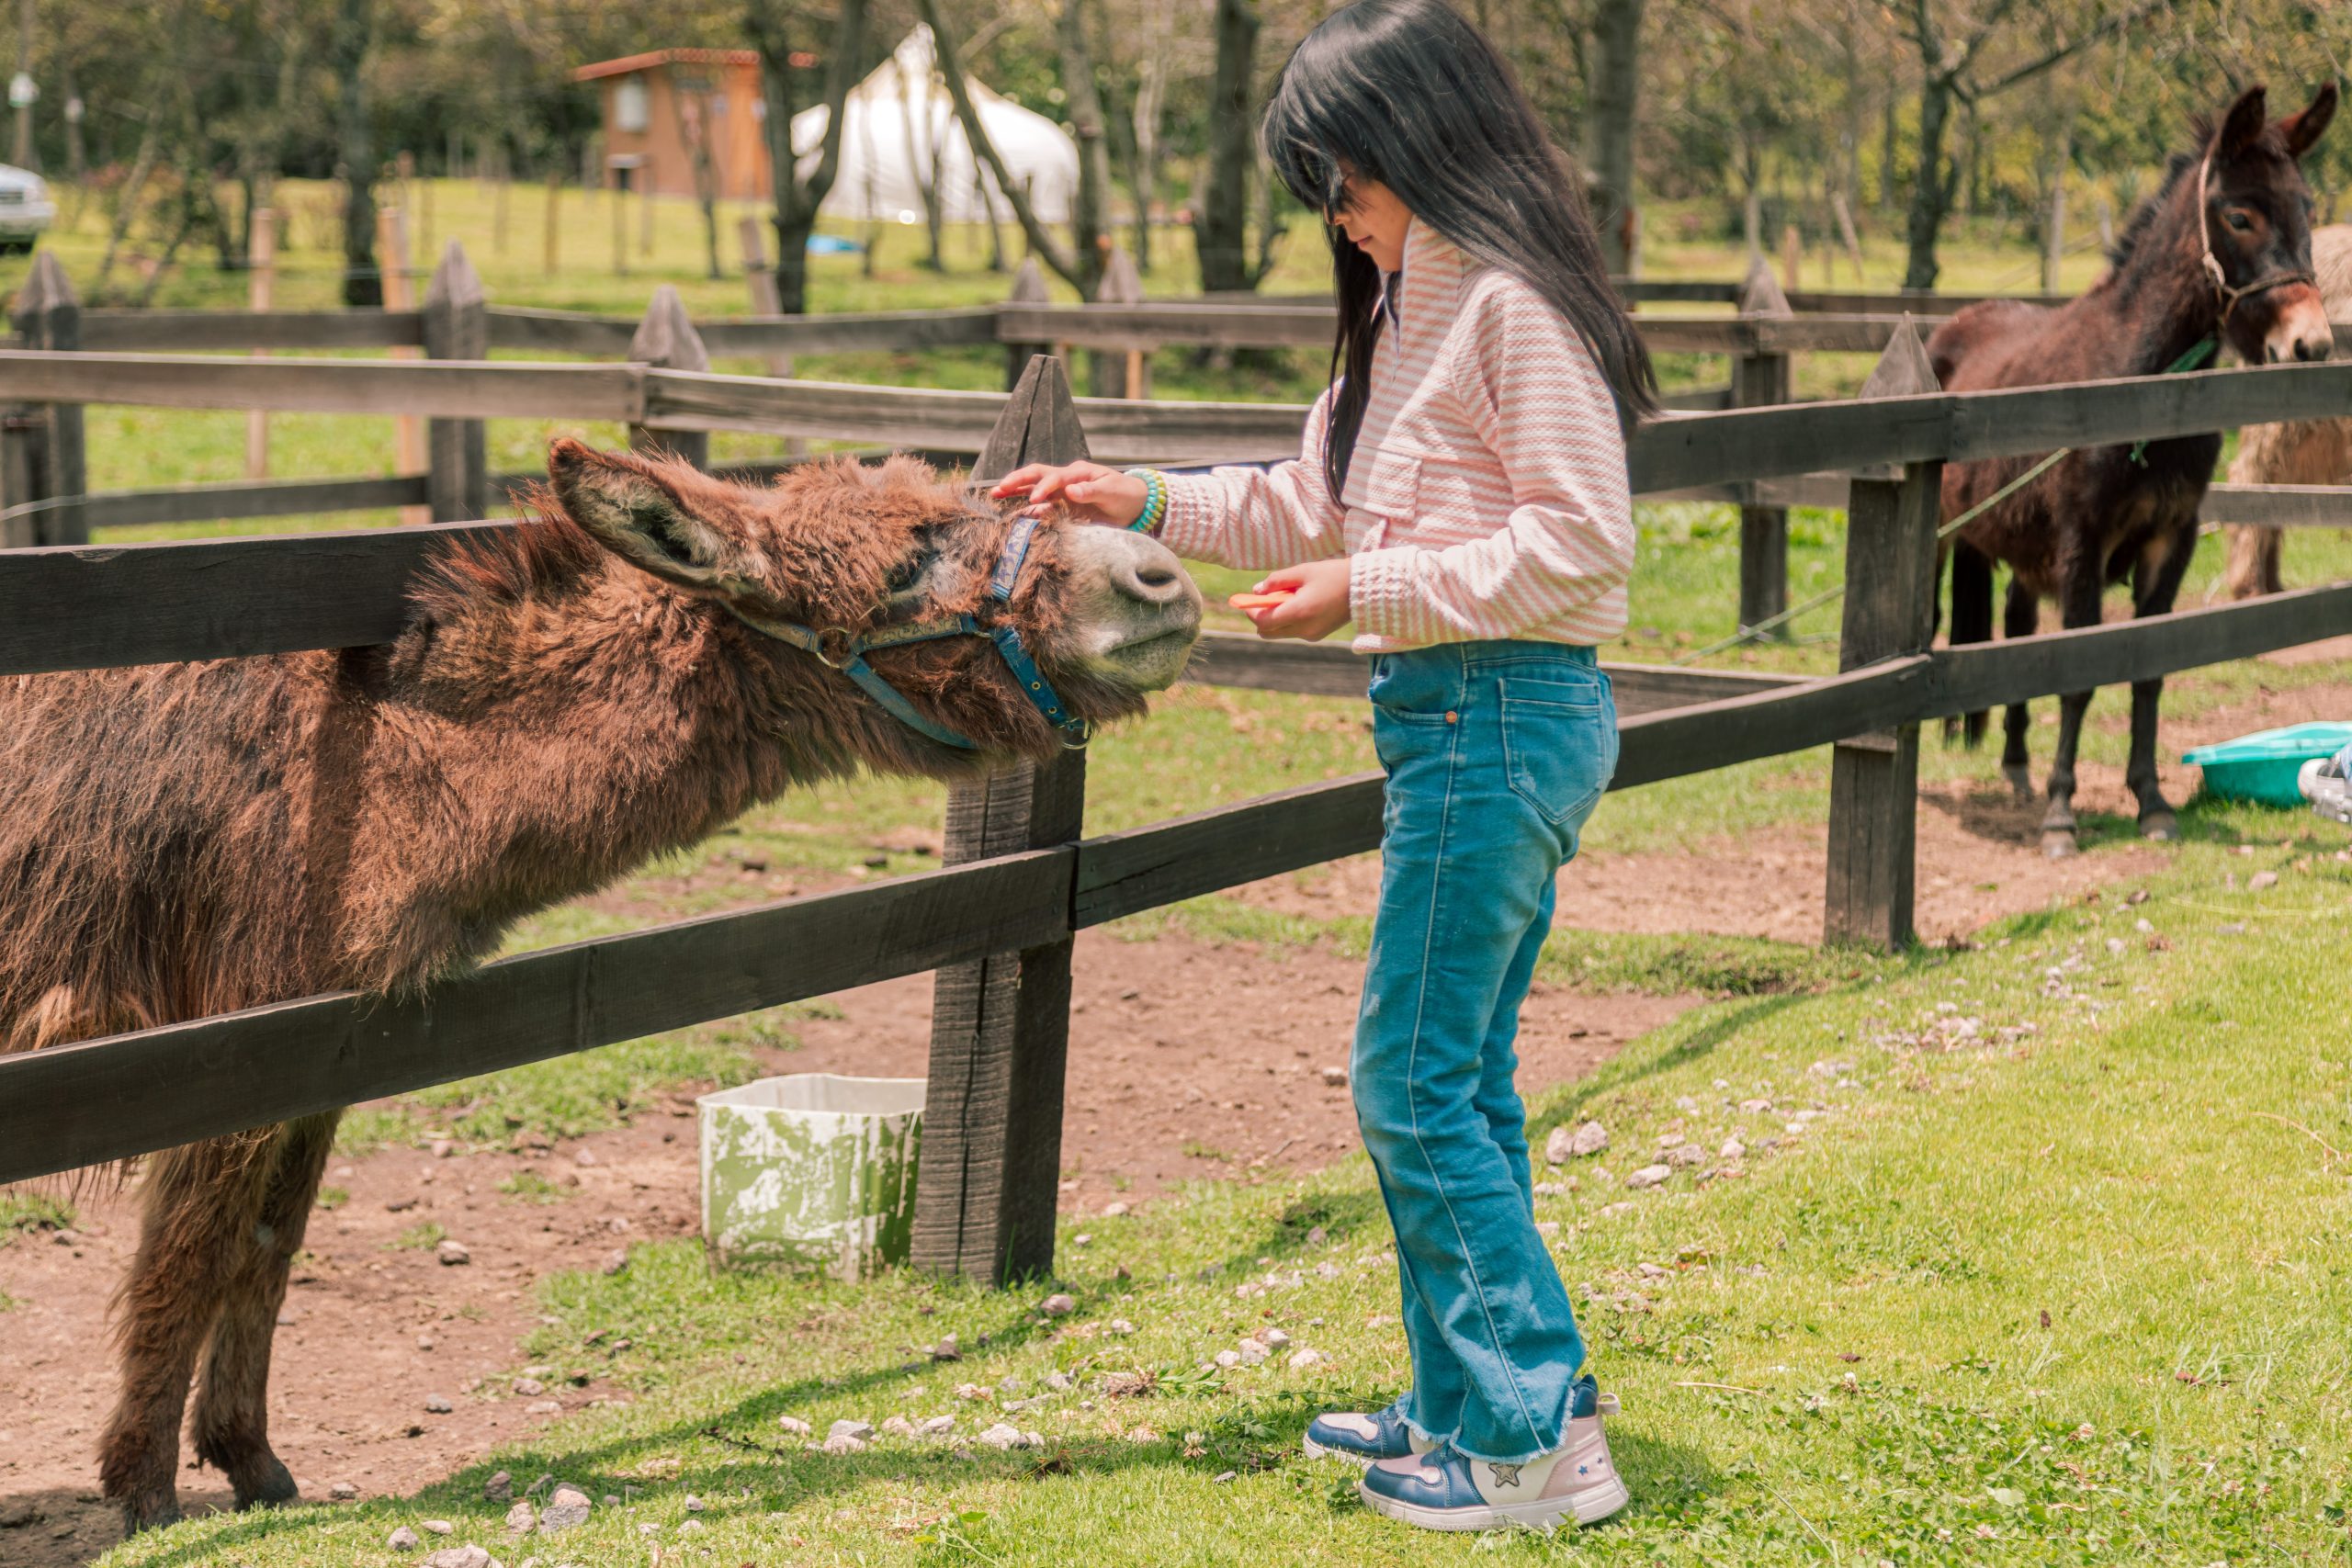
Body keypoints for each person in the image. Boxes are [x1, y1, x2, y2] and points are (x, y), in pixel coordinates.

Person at [989, 0, 1654, 1534]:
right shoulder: (1411, 311)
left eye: (1344, 179)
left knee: (1408, 1088)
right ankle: (1463, 1404)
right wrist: (1135, 497)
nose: (1336, 215)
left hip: (1499, 710)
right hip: (1455, 720)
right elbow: (1314, 494)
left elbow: (1583, 545)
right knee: (1457, 1081)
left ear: (1421, 142)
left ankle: (1534, 1446)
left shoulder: (1511, 312)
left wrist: (1377, 590)